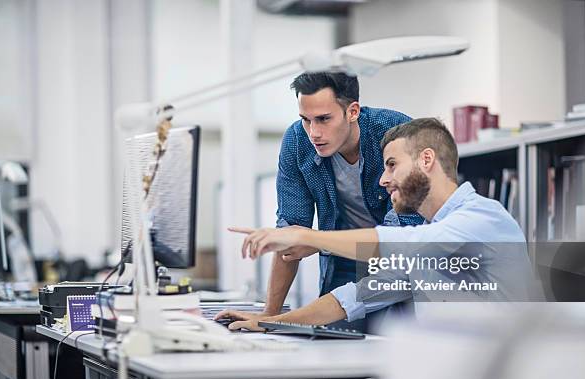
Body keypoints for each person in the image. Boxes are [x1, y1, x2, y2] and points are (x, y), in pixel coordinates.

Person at [217, 118, 537, 331]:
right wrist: (271, 322)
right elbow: (354, 298)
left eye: (392, 165)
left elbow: (401, 243)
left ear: (426, 160)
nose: (383, 179)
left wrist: (306, 236)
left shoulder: (483, 218)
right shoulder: (428, 244)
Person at [242, 71, 423, 328]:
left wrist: (314, 241)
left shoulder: (396, 133)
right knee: (334, 342)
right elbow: (290, 231)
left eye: (324, 119)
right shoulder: (297, 142)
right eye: (306, 120)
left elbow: (398, 237)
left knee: (397, 343)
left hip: (401, 260)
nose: (313, 132)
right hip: (342, 260)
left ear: (353, 111)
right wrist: (269, 316)